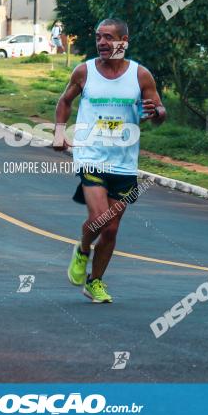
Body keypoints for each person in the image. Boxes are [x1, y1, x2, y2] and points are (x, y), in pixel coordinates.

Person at [53, 18, 166, 303]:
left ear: (123, 42)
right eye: (98, 37)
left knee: (112, 228)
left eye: (108, 38)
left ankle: (95, 282)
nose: (102, 43)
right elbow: (65, 101)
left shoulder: (141, 76)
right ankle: (82, 249)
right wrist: (58, 132)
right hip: (90, 155)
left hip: (124, 161)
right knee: (101, 219)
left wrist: (157, 113)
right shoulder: (84, 71)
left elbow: (158, 115)